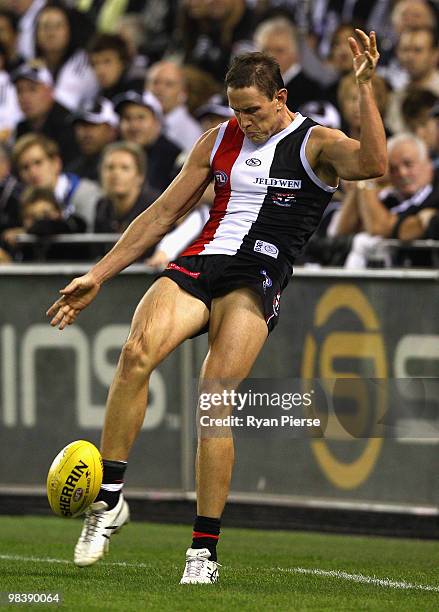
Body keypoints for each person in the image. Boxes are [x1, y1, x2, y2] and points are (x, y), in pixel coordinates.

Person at [47, 31, 386, 584]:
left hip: (258, 272)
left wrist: (365, 90)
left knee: (213, 395)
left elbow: (373, 164)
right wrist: (98, 275)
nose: (243, 122)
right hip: (203, 258)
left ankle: (202, 551)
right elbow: (161, 215)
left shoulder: (315, 142)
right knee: (135, 354)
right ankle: (108, 501)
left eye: (252, 111)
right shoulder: (217, 140)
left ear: (280, 98)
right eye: (235, 110)